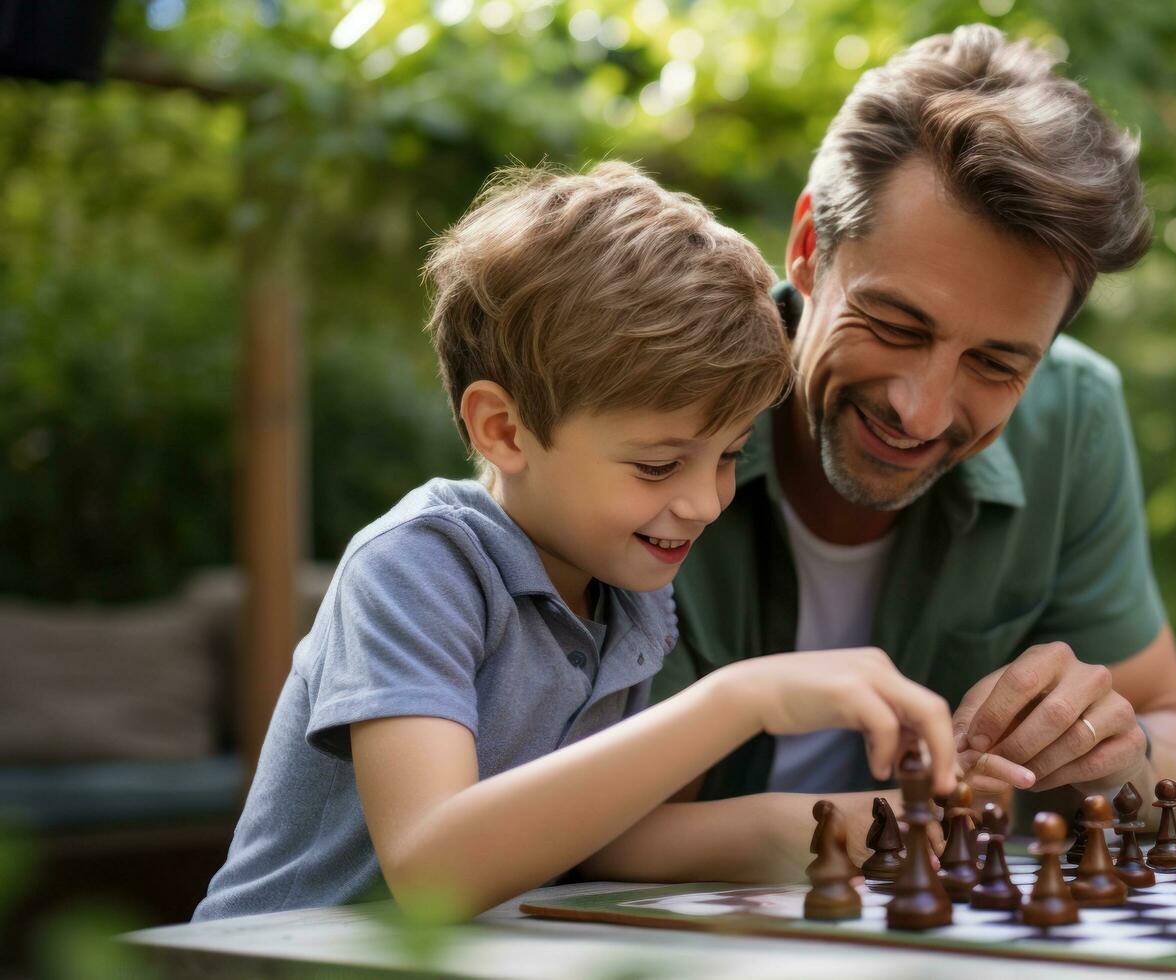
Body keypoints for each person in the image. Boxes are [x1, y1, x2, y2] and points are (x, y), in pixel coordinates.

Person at [193, 163, 958, 923]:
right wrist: (738, 699)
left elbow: (611, 844)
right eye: (657, 464)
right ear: (503, 429)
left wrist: (877, 820)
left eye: (729, 455)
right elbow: (432, 870)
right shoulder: (420, 566)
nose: (704, 501)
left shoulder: (631, 593)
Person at [650, 25, 1176, 826]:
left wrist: (1115, 759)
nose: (919, 411)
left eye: (995, 365)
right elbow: (552, 812)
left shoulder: (1072, 417)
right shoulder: (642, 406)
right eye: (893, 324)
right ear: (809, 247)